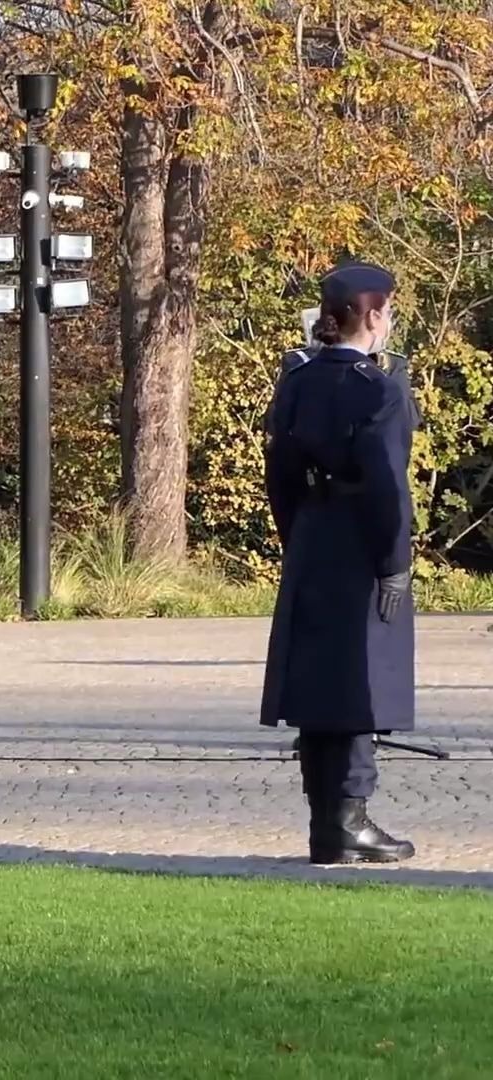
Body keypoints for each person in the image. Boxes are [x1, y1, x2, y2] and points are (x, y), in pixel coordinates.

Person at [260, 261, 417, 864]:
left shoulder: (296, 381)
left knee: (319, 682)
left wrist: (297, 533)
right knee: (359, 685)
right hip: (360, 542)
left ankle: (325, 822)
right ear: (375, 315)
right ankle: (350, 820)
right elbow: (387, 487)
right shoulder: (379, 388)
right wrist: (394, 561)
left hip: (313, 535)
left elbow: (281, 474)